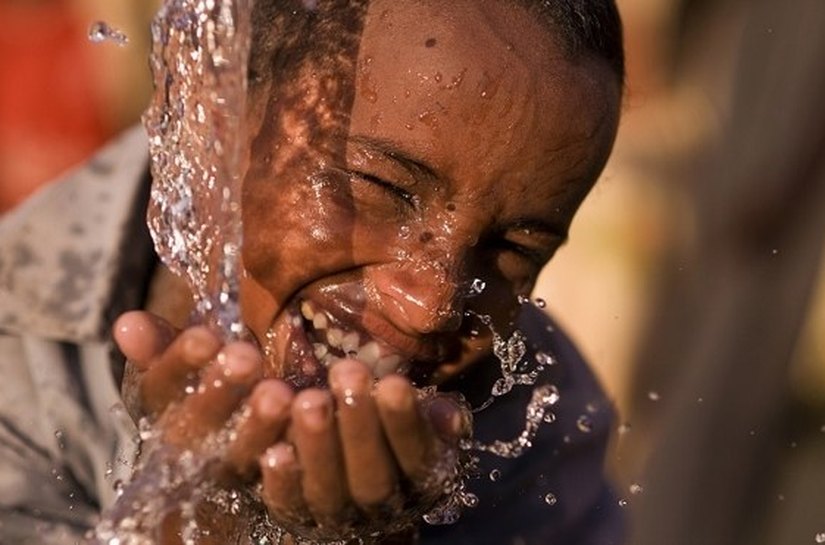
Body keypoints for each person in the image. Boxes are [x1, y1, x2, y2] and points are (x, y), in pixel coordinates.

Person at [0, 0, 625, 543]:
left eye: (515, 251)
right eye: (380, 186)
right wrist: (203, 523)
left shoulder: (535, 428)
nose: (430, 305)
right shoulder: (14, 357)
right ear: (203, 115)